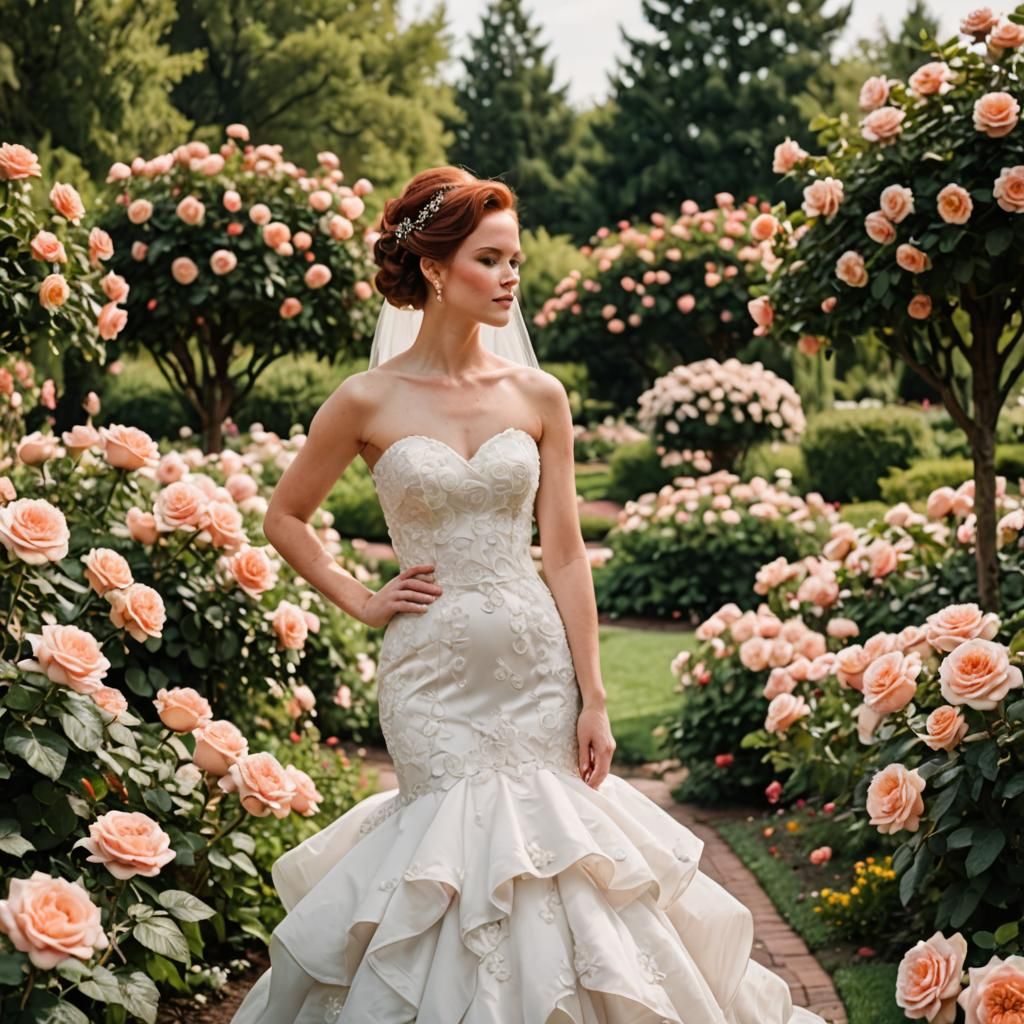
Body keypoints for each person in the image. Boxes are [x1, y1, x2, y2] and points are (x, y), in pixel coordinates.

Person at [229, 166, 824, 1023]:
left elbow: (569, 553)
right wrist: (359, 597)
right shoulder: (365, 399)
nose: (512, 277)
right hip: (428, 678)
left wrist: (595, 695)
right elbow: (285, 516)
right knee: (446, 856)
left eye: (515, 261)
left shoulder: (539, 395)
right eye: (491, 259)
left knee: (556, 860)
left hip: (535, 669)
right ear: (435, 269)